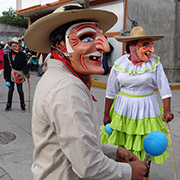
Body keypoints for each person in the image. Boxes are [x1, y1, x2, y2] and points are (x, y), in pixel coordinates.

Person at [24, 4, 149, 180]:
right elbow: (89, 166)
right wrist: (129, 172)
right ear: (60, 45)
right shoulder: (67, 89)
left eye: (102, 37)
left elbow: (75, 145)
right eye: (87, 37)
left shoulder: (61, 78)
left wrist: (113, 151)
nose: (104, 47)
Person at [100, 26, 174, 180]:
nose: (146, 49)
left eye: (147, 44)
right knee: (123, 144)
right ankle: (125, 175)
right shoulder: (120, 64)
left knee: (146, 144)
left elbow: (164, 88)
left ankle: (144, 175)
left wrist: (167, 110)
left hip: (147, 108)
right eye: (140, 45)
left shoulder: (154, 64)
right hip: (122, 109)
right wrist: (106, 114)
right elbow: (111, 91)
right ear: (131, 46)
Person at [4, 37, 30, 111]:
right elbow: (6, 67)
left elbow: (24, 65)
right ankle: (8, 104)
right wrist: (6, 77)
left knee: (20, 90)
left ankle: (22, 105)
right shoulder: (7, 56)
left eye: (18, 46)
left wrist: (26, 73)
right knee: (10, 90)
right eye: (15, 46)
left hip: (19, 75)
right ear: (11, 46)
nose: (17, 47)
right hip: (10, 76)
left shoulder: (22, 55)